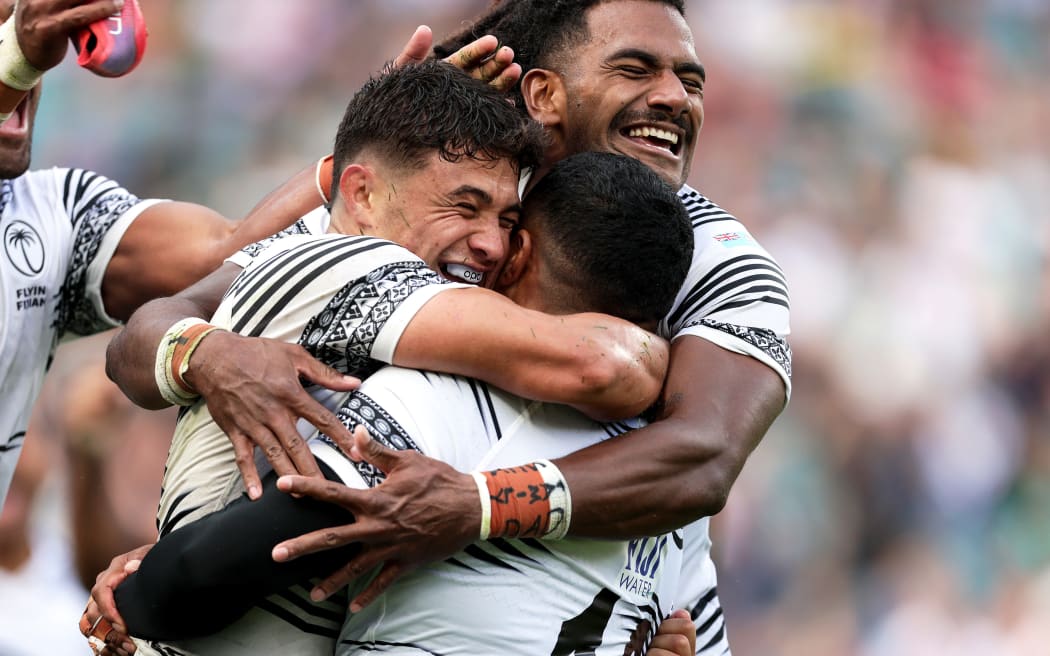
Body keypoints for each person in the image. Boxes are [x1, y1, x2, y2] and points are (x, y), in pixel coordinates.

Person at [94, 0, 792, 652]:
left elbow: (698, 459)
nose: (674, 96)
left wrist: (480, 506)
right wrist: (204, 354)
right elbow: (152, 331)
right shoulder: (413, 217)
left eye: (690, 78)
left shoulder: (721, 260)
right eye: (636, 68)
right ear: (544, 95)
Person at [109, 150, 698, 656]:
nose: (486, 245)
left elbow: (196, 580)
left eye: (506, 222)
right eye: (466, 209)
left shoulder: (441, 400)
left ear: (520, 253)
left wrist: (137, 590)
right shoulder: (659, 493)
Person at [0, 0, 360, 510]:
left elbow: (228, 255)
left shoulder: (57, 212)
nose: (32, 58)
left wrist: (377, 146)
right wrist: (15, 57)